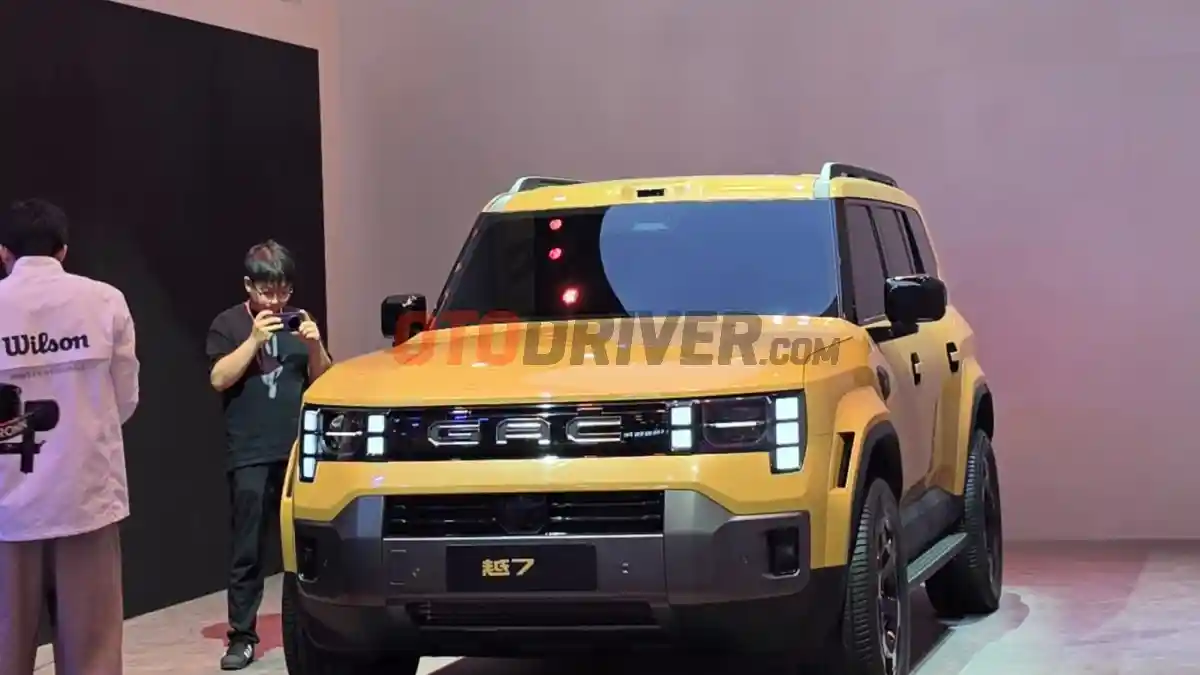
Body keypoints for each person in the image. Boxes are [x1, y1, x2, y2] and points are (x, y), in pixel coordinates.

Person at [0, 199, 140, 675]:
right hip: (86, 499)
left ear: (3, 252)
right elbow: (124, 400)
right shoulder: (105, 301)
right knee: (93, 654)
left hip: (6, 511)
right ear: (62, 250)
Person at [206, 239, 331, 670]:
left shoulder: (300, 321)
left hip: (296, 453)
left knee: (306, 547)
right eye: (267, 291)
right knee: (249, 551)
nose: (276, 301)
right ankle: (242, 637)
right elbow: (219, 378)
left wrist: (314, 345)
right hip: (250, 453)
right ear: (248, 285)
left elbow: (323, 380)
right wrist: (254, 339)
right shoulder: (228, 324)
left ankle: (316, 630)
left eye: (283, 291)